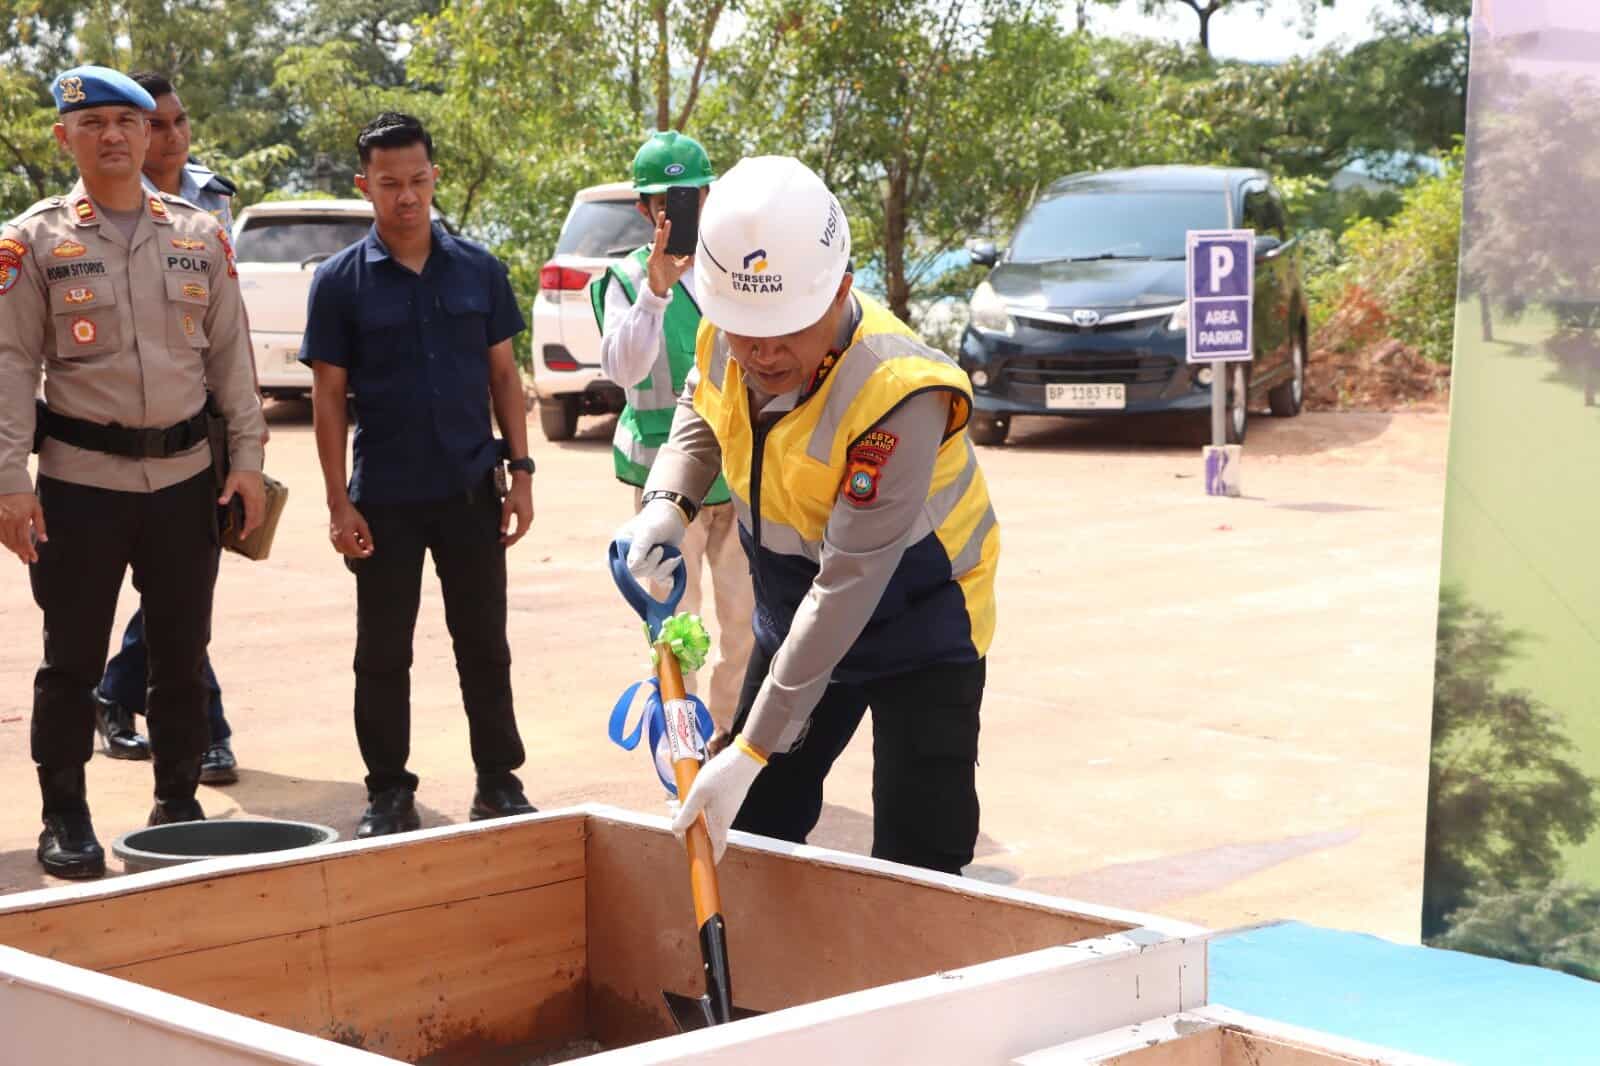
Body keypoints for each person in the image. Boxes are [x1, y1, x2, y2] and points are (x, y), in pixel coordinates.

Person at [613, 156, 999, 876]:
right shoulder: (727, 332)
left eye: (785, 329)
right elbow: (704, 406)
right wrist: (668, 502)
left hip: (922, 623)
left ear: (841, 290)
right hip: (795, 615)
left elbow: (848, 585)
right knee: (758, 828)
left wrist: (752, 749)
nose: (760, 352)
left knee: (920, 858)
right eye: (742, 328)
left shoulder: (899, 395)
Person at [0, 66, 267, 879]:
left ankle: (177, 805)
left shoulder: (199, 233)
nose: (113, 136)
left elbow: (231, 358)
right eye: (94, 123)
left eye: (128, 121)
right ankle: (66, 815)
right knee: (72, 658)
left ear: (152, 134)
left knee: (181, 654)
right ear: (65, 138)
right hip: (81, 485)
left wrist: (249, 463)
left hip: (187, 479)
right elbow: (9, 364)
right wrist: (10, 480)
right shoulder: (32, 241)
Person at [300, 112, 537, 839]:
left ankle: (498, 781)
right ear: (364, 185)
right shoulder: (339, 284)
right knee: (381, 654)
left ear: (434, 177)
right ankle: (388, 792)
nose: (407, 198)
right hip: (386, 502)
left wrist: (521, 474)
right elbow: (330, 397)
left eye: (419, 181)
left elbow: (504, 375)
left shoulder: (479, 269)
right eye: (391, 184)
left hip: (471, 490)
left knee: (484, 645)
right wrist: (339, 504)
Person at [91, 70, 244, 782]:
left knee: (187, 584)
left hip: (206, 423)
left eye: (181, 122)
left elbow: (225, 321)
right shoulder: (100, 211)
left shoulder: (211, 199)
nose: (175, 137)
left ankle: (118, 692)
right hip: (126, 426)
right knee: (181, 592)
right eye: (161, 124)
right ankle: (206, 729)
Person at [589, 131, 754, 735]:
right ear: (643, 209)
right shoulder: (629, 281)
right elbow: (624, 370)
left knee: (747, 626)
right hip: (662, 489)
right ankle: (679, 751)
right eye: (664, 202)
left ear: (710, 197)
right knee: (675, 628)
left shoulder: (739, 274)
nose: (676, 212)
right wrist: (657, 292)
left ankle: (731, 745)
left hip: (736, 481)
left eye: (688, 199)